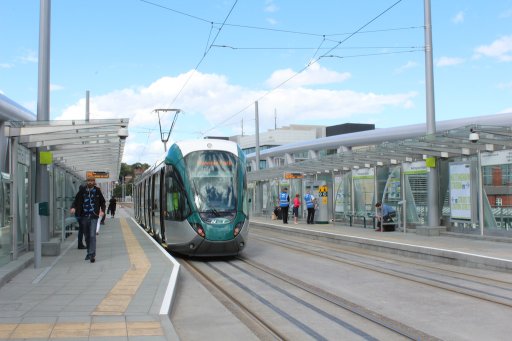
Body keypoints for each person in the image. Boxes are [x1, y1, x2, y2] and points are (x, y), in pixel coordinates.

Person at [70, 175, 106, 263]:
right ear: (86, 182)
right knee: (86, 236)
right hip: (84, 216)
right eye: (88, 181)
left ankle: (92, 254)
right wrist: (73, 207)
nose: (90, 182)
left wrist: (103, 210)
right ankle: (89, 252)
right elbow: (76, 200)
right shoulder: (82, 190)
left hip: (93, 216)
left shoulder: (97, 191)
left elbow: (102, 202)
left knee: (92, 235)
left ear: (94, 182)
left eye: (91, 181)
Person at [76, 184, 87, 249]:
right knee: (82, 230)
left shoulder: (78, 194)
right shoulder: (82, 196)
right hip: (81, 216)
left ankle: (80, 244)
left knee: (81, 230)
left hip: (79, 215)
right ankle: (80, 244)